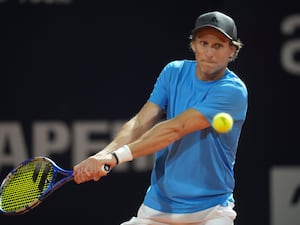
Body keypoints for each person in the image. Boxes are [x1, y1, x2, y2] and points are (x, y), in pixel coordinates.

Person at [73, 11, 248, 225]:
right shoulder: (173, 72)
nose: (209, 52)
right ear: (193, 45)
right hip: (158, 209)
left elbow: (175, 128)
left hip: (210, 212)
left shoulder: (232, 91)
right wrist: (104, 153)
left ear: (232, 51)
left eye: (218, 46)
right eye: (203, 43)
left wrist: (116, 158)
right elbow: (141, 121)